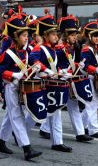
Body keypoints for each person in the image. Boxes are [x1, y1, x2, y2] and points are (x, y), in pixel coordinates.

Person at [0, 13, 42, 160]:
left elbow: (28, 67)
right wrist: (13, 75)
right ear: (15, 36)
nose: (26, 37)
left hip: (21, 87)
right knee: (17, 116)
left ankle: (1, 142)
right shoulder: (8, 53)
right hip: (10, 87)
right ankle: (27, 149)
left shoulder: (27, 51)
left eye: (27, 34)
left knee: (11, 116)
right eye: (23, 35)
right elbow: (0, 71)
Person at [30, 9, 72, 152]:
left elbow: (54, 67)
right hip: (40, 85)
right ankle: (19, 133)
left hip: (51, 84)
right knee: (36, 113)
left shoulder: (53, 50)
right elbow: (33, 61)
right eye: (53, 34)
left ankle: (57, 142)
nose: (56, 36)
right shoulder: (39, 48)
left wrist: (62, 72)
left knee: (56, 112)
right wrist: (45, 70)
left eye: (56, 34)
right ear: (46, 35)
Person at [55, 14, 94, 142]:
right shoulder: (59, 48)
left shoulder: (72, 47)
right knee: (53, 109)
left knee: (74, 106)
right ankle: (42, 130)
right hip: (57, 80)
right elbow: (53, 65)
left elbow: (71, 63)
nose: (75, 37)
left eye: (75, 34)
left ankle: (80, 133)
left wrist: (78, 65)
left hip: (69, 80)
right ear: (66, 35)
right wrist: (62, 71)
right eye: (72, 35)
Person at [80, 20, 98, 138]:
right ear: (90, 36)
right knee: (93, 103)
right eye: (95, 36)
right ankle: (93, 129)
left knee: (91, 103)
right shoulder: (87, 49)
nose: (97, 38)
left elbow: (96, 64)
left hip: (94, 78)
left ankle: (83, 126)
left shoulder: (97, 49)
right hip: (88, 78)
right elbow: (84, 65)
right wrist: (96, 70)